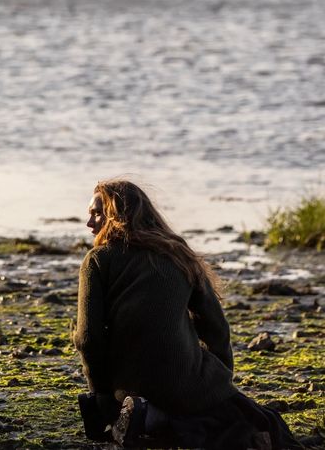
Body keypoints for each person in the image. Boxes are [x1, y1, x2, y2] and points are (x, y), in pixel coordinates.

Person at [73, 178, 302, 450]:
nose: (89, 223)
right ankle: (151, 417)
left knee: (157, 414)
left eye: (97, 214)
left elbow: (88, 338)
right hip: (187, 381)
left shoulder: (97, 260)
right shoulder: (178, 253)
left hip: (128, 385)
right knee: (228, 416)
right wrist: (218, 380)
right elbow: (215, 327)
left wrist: (100, 393)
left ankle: (144, 416)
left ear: (117, 216)